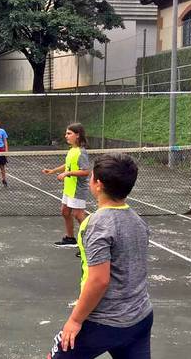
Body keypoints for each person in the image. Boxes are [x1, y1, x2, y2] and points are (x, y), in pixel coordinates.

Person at [49, 153, 153, 358]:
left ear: (98, 184)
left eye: (92, 177)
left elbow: (99, 280)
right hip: (140, 317)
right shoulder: (139, 221)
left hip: (103, 322)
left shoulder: (96, 224)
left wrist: (76, 320)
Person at [43, 123, 90, 249]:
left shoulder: (81, 152)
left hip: (78, 189)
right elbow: (67, 165)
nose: (66, 136)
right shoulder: (72, 151)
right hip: (69, 188)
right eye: (66, 133)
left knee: (78, 215)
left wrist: (67, 173)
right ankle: (70, 238)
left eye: (69, 133)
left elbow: (86, 171)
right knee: (65, 211)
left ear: (78, 135)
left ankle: (90, 243)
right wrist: (53, 171)